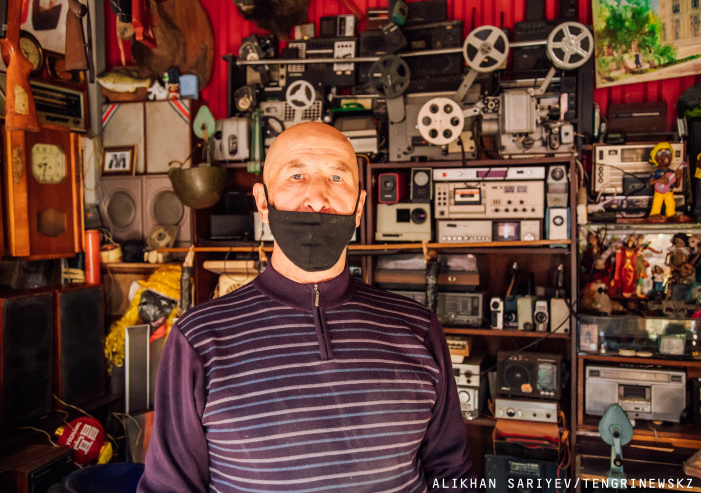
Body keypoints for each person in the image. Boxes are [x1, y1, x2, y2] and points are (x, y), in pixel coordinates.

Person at [138, 122, 474, 492]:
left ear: (359, 207)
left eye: (336, 177)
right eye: (296, 176)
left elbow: (452, 474)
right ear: (263, 202)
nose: (317, 198)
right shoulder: (198, 338)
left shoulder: (418, 328)